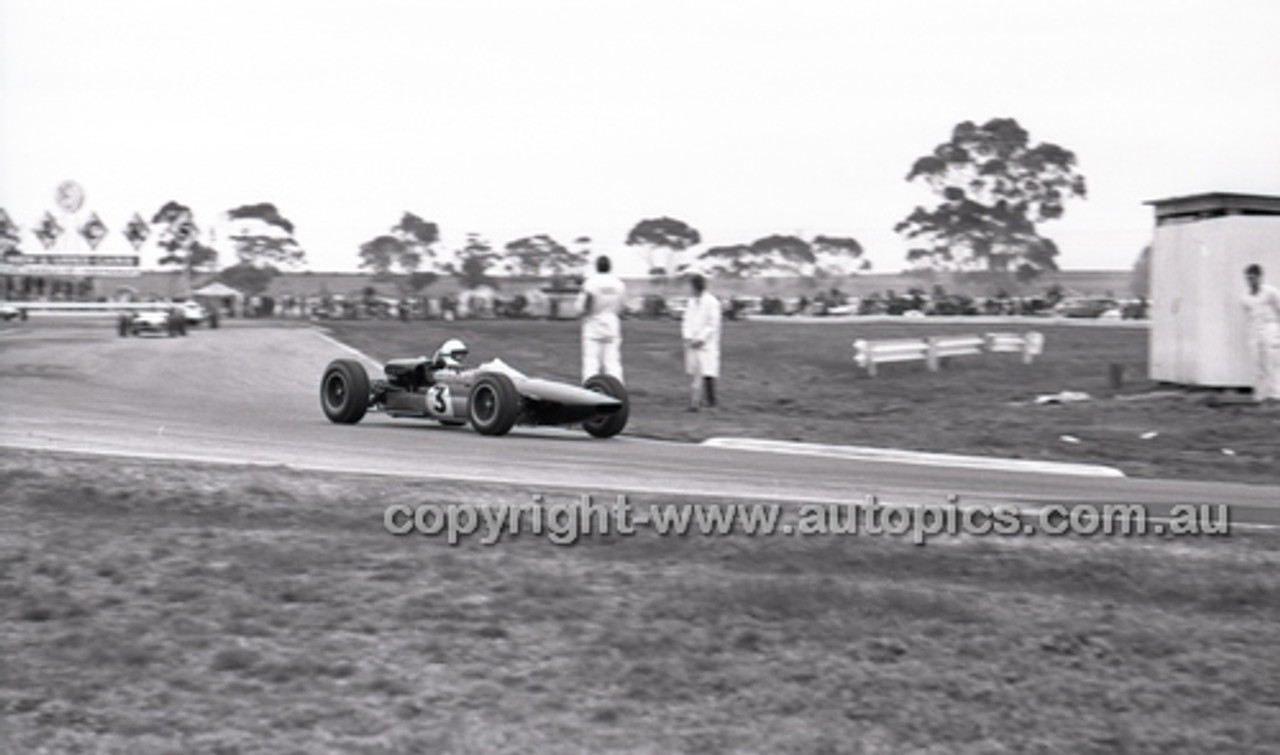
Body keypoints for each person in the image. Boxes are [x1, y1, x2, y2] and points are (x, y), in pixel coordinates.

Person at [578, 255, 626, 382]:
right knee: (612, 361)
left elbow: (584, 305)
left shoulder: (591, 283)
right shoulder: (619, 284)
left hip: (593, 322)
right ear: (610, 267)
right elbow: (622, 305)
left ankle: (590, 389)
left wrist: (582, 313)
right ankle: (618, 390)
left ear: (596, 267)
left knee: (591, 361)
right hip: (612, 323)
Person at [681, 273, 722, 411]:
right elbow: (686, 320)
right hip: (691, 342)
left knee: (708, 372)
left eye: (690, 286)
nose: (689, 289)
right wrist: (687, 336)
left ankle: (712, 403)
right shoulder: (691, 302)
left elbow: (712, 324)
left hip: (706, 344)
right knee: (694, 373)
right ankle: (695, 403)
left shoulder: (712, 302)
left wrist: (701, 339)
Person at [1242, 264, 1280, 402]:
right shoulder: (1245, 297)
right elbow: (1248, 316)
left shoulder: (1271, 292)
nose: (1250, 281)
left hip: (1270, 329)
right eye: (1247, 278)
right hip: (1254, 331)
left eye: (1253, 278)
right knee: (1257, 363)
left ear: (1259, 277)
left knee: (1272, 363)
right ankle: (1260, 396)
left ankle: (1275, 396)